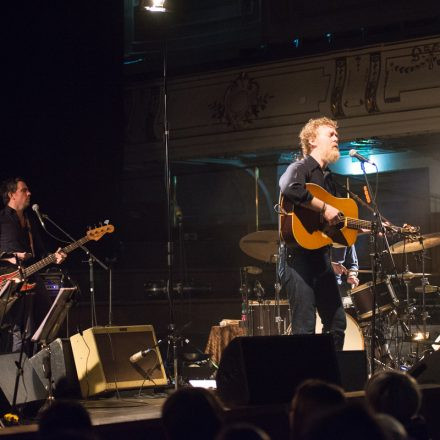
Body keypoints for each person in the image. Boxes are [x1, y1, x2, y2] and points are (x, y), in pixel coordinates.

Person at [279, 117, 347, 349]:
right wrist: (325, 207)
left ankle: (330, 378)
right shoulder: (299, 168)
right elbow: (289, 187)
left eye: (336, 135)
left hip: (321, 258)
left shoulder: (330, 181)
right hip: (297, 259)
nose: (337, 138)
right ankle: (305, 382)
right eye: (331, 134)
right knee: (305, 328)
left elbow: (334, 223)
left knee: (337, 324)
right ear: (312, 140)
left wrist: (371, 229)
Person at [0, 177, 66, 356]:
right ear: (11, 195)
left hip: (32, 277)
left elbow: (40, 254)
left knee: (46, 321)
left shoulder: (30, 221)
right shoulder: (2, 219)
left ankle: (39, 363)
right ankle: (14, 375)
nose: (29, 193)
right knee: (18, 331)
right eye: (24, 190)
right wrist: (10, 257)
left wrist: (55, 257)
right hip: (9, 283)